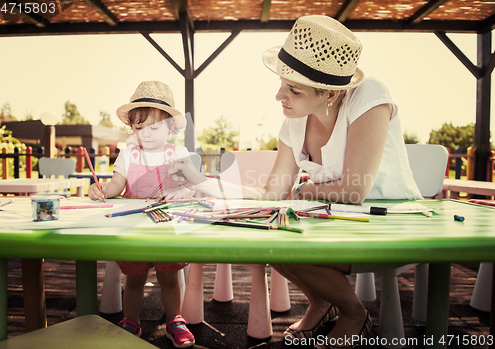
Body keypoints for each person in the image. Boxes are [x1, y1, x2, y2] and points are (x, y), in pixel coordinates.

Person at [167, 15, 422, 349]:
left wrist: (304, 191)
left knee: (288, 238)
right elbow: (270, 193)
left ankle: (353, 315)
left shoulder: (369, 95)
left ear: (330, 93)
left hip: (393, 224)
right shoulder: (292, 125)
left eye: (293, 89)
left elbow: (353, 190)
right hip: (341, 223)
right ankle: (321, 303)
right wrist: (202, 181)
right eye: (282, 83)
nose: (278, 96)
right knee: (270, 238)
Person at [89, 81, 195, 348]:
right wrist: (102, 189)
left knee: (169, 278)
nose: (145, 134)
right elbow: (116, 185)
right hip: (134, 228)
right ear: (132, 128)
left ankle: (175, 320)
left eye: (154, 127)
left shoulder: (178, 153)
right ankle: (130, 320)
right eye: (138, 127)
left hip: (166, 227)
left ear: (170, 126)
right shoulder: (127, 155)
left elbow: (190, 187)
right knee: (134, 279)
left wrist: (182, 193)